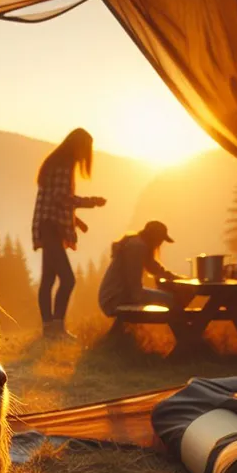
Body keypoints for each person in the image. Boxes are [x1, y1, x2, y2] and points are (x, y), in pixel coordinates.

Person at [32, 128, 106, 340]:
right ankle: (56, 327)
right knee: (68, 279)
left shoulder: (55, 162)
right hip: (52, 228)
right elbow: (62, 198)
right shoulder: (65, 164)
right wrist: (91, 202)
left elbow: (53, 201)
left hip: (46, 225)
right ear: (79, 146)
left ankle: (50, 329)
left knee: (48, 279)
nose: (86, 155)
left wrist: (78, 222)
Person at [98, 220, 182, 316]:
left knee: (167, 298)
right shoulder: (137, 247)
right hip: (115, 298)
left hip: (113, 296)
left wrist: (172, 276)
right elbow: (135, 289)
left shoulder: (138, 244)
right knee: (170, 299)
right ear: (154, 237)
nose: (160, 244)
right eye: (160, 240)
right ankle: (183, 329)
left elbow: (153, 267)